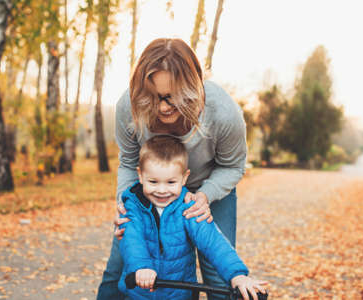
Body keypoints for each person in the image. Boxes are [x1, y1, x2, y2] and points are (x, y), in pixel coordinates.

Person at [97, 38, 248, 300]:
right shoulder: (129, 107)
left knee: (216, 273)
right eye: (154, 97)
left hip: (209, 185)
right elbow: (128, 161)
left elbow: (232, 166)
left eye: (172, 97)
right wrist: (126, 204)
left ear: (193, 86)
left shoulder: (223, 113)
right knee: (119, 265)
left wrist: (204, 197)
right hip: (151, 185)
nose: (163, 107)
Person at [118, 135, 267, 300]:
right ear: (140, 176)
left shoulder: (188, 207)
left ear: (184, 178)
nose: (161, 190)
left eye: (171, 182)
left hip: (180, 294)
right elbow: (131, 240)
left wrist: (237, 275)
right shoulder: (133, 206)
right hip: (140, 293)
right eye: (153, 182)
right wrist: (141, 267)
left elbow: (212, 241)